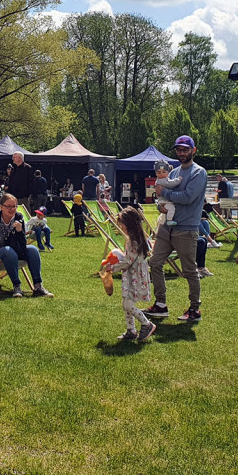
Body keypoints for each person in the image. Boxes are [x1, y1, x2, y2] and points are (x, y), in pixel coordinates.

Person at [143, 135, 208, 323]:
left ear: (193, 150)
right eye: (178, 150)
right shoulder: (173, 172)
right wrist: (159, 205)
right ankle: (161, 304)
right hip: (166, 228)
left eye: (185, 149)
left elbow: (188, 197)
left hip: (186, 229)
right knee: (155, 263)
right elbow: (161, 198)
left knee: (189, 271)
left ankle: (194, 309)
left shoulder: (199, 172)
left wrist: (167, 193)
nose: (181, 153)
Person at [0, 193, 53, 298]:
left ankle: (38, 287)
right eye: (8, 206)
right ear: (1, 207)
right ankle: (16, 286)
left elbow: (22, 244)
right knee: (8, 251)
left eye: (14, 206)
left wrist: (19, 231)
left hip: (13, 253)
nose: (12, 209)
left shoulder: (19, 217)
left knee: (32, 249)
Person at [101, 207, 156, 342]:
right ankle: (131, 330)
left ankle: (147, 324)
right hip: (133, 275)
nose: (120, 226)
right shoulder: (136, 238)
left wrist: (112, 268)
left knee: (128, 305)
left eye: (122, 223)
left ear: (129, 224)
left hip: (135, 277)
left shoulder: (134, 241)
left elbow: (128, 262)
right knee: (125, 302)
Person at [153, 161, 182, 226]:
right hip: (165, 202)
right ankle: (169, 220)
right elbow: (170, 184)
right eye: (159, 172)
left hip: (164, 202)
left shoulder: (162, 179)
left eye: (164, 172)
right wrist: (178, 180)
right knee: (171, 208)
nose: (162, 174)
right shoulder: (162, 180)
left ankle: (169, 220)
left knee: (171, 208)